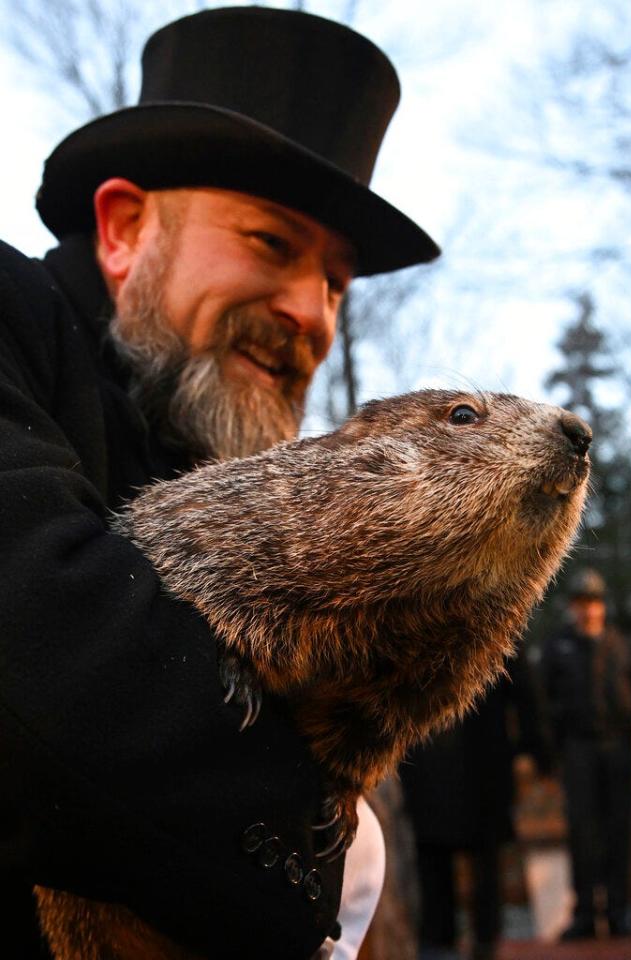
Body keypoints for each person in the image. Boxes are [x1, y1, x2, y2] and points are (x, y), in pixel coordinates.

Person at [0, 7, 440, 958]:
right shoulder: (13, 321)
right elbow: (43, 664)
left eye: (337, 281)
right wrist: (325, 848)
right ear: (124, 228)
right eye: (272, 244)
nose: (311, 314)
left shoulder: (209, 447)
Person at [400, 651, 551, 960]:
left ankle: (445, 939)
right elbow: (525, 691)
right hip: (479, 758)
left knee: (441, 857)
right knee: (475, 856)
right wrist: (537, 749)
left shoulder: (415, 617)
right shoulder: (494, 616)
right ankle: (479, 937)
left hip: (443, 756)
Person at [541, 568, 631, 941]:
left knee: (618, 830)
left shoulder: (620, 644)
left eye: (594, 603)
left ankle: (618, 912)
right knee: (581, 832)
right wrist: (549, 754)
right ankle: (583, 914)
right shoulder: (557, 646)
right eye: (582, 603)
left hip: (617, 747)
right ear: (572, 607)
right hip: (577, 748)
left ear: (603, 607)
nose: (589, 611)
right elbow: (545, 703)